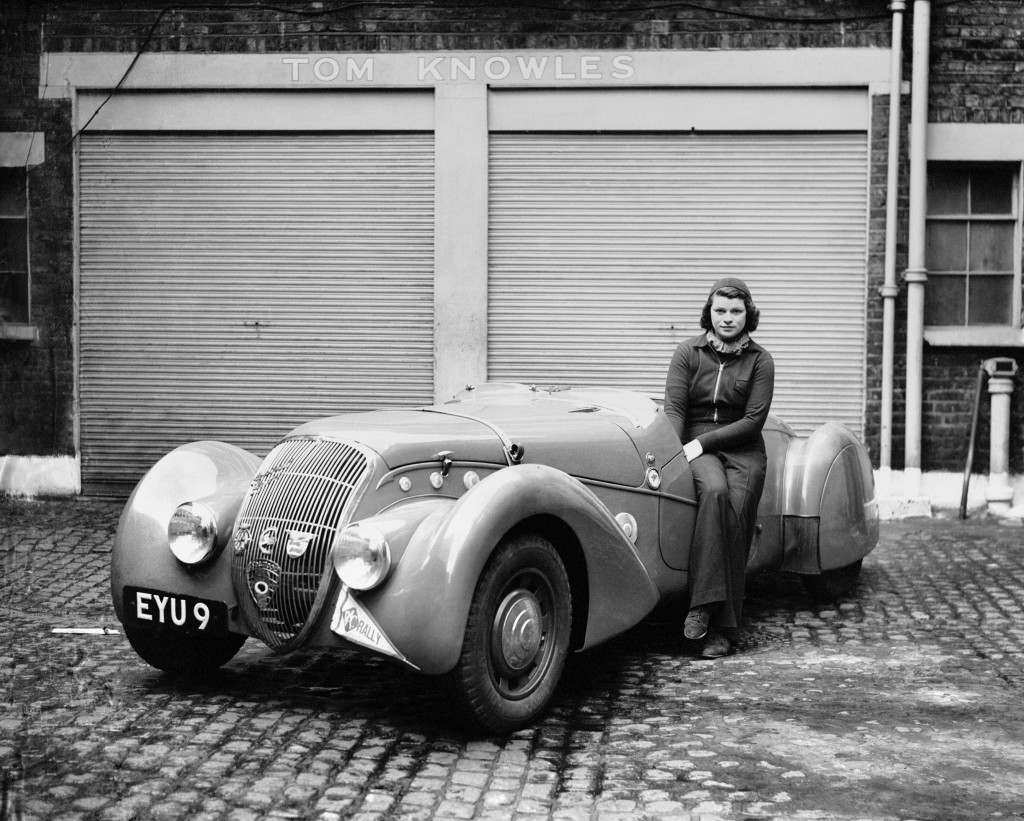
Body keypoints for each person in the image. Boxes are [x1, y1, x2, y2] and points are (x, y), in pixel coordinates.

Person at [663, 277, 775, 658]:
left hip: (743, 448)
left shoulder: (760, 361)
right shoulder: (687, 353)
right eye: (720, 310)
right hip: (696, 444)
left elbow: (753, 421)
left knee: (738, 512)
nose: (727, 318)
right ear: (709, 313)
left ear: (749, 315)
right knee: (714, 492)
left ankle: (723, 625)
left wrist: (703, 442)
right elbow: (675, 409)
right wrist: (676, 450)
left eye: (736, 311)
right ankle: (700, 610)